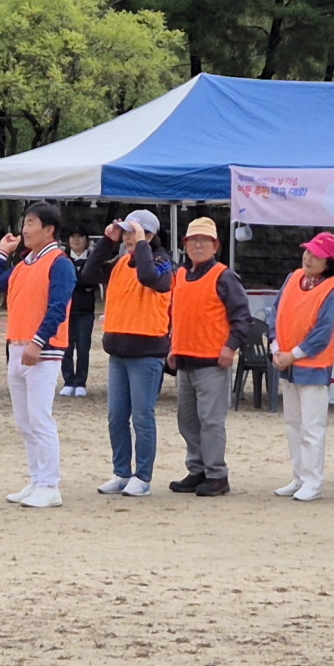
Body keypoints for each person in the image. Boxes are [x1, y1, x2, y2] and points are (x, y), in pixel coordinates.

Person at [0, 202, 77, 509]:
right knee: (25, 421)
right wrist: (1, 253)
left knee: (40, 418)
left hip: (43, 349)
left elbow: (58, 306)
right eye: (25, 222)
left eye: (32, 223)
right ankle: (37, 478)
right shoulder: (24, 263)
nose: (25, 228)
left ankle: (50, 484)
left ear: (49, 229)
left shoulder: (59, 262)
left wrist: (39, 340)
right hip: (17, 346)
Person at [82, 209, 173, 497]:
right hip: (118, 351)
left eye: (134, 233)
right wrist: (107, 241)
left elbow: (149, 277)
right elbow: (88, 273)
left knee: (142, 417)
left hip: (147, 352)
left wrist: (143, 243)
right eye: (127, 233)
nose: (129, 238)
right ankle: (121, 471)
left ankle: (142, 476)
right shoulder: (121, 262)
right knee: (116, 416)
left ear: (149, 235)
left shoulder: (163, 264)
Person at [167, 216, 251, 498]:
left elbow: (242, 318)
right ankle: (197, 469)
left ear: (215, 245)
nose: (198, 245)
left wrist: (230, 347)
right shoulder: (180, 275)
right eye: (193, 240)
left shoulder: (224, 276)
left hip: (213, 362)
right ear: (185, 245)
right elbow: (176, 315)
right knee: (188, 421)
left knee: (212, 422)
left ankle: (216, 474)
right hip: (186, 360)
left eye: (204, 240)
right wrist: (172, 346)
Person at [270, 232, 334, 502]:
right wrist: (276, 347)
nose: (309, 257)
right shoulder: (293, 278)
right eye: (308, 252)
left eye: (317, 255)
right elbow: (275, 313)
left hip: (312, 367)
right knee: (293, 423)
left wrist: (293, 354)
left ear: (330, 262)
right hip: (287, 362)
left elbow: (323, 333)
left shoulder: (333, 290)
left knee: (312, 426)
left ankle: (313, 481)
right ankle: (299, 476)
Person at [61, 230, 97, 397]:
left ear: (86, 239)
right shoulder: (61, 257)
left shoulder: (93, 258)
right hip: (65, 309)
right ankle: (68, 381)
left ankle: (81, 381)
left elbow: (92, 279)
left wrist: (80, 281)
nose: (76, 240)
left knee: (83, 347)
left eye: (80, 236)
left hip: (85, 310)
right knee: (65, 347)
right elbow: (66, 280)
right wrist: (82, 283)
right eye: (72, 236)